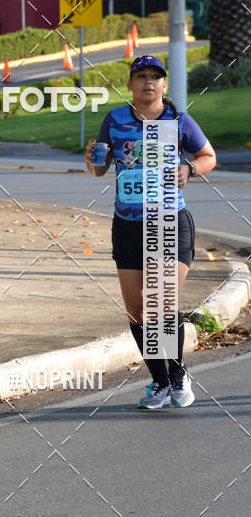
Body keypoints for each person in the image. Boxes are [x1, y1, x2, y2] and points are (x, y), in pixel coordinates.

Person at [85, 54, 216, 410]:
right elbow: (100, 168)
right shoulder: (115, 119)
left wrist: (189, 168)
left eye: (155, 77)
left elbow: (208, 155)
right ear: (130, 84)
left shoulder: (178, 119)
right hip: (127, 224)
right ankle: (158, 381)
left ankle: (178, 374)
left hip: (169, 221)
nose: (147, 82)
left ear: (164, 85)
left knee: (160, 302)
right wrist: (92, 159)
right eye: (140, 76)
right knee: (138, 310)